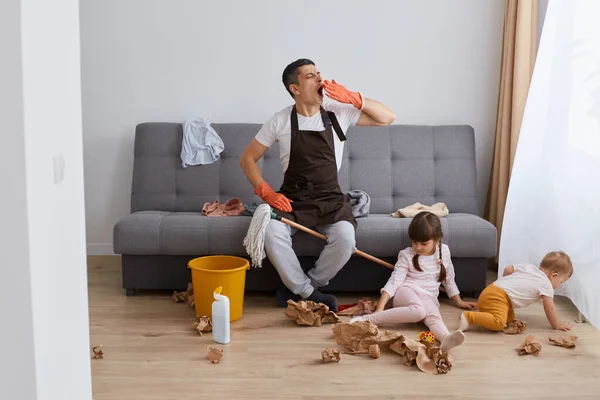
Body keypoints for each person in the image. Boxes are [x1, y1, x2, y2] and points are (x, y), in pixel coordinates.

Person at [240, 58, 396, 312]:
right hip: (292, 200)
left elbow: (388, 117)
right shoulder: (280, 121)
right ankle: (310, 293)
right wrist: (266, 192)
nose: (320, 79)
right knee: (271, 233)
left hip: (330, 200)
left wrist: (355, 98)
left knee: (346, 240)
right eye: (310, 76)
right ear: (295, 88)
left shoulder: (338, 112)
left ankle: (303, 288)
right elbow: (247, 159)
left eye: (319, 73)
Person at [350, 211, 477, 352]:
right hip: (405, 291)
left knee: (434, 317)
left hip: (428, 295)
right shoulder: (406, 254)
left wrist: (458, 301)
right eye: (414, 242)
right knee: (419, 311)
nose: (418, 247)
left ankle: (445, 338)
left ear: (436, 240)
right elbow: (394, 282)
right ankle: (370, 319)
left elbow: (449, 279)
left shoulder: (444, 251)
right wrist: (379, 309)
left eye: (424, 243)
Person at [458, 251, 573, 332]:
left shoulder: (529, 267)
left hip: (491, 290)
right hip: (498, 297)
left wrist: (505, 284)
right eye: (561, 282)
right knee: (499, 323)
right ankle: (469, 317)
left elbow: (508, 269)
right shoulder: (546, 284)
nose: (558, 286)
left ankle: (486, 315)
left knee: (510, 320)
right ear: (554, 275)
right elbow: (549, 308)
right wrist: (556, 324)